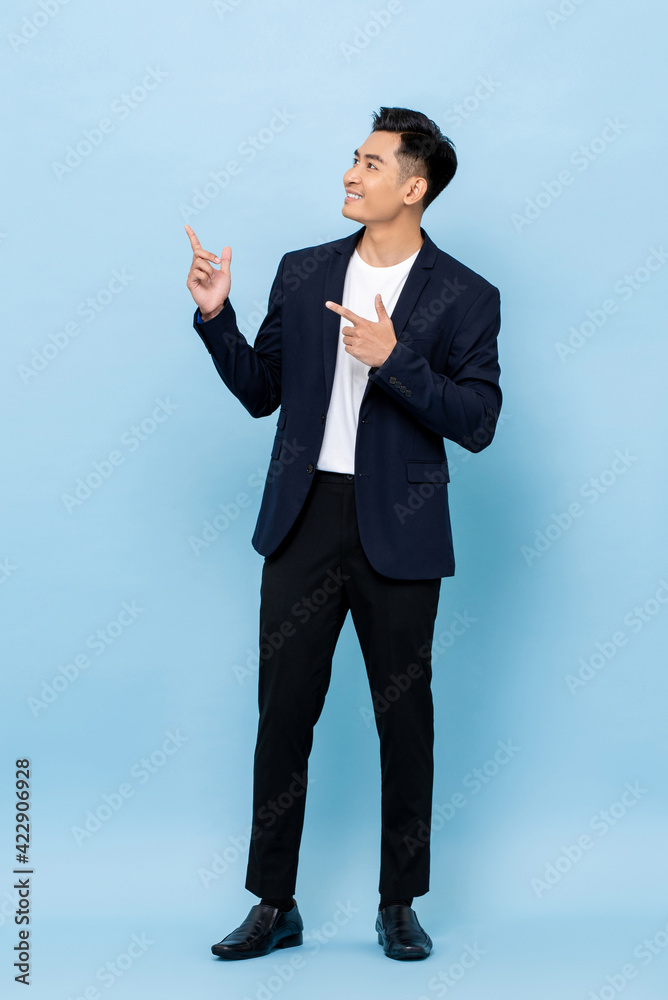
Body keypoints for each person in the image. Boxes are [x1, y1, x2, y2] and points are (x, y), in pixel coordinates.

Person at [185, 107, 502, 962]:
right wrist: (219, 317)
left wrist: (395, 358)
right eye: (351, 160)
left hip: (399, 527)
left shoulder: (467, 295)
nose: (349, 175)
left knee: (405, 720)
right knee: (283, 714)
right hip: (303, 519)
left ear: (414, 185)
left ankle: (399, 903)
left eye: (368, 162)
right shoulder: (303, 270)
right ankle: (273, 904)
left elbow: (478, 420)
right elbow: (261, 391)